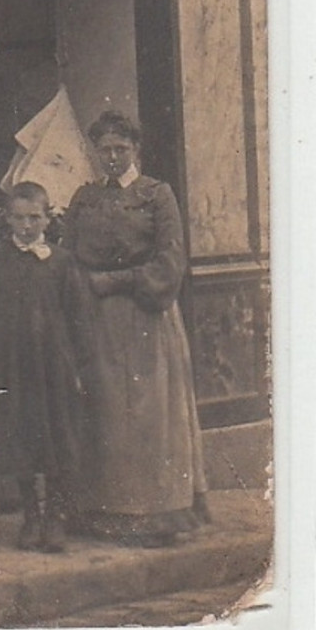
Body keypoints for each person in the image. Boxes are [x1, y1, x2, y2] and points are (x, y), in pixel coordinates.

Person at [63, 111, 209, 547]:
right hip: (97, 319)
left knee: (148, 415)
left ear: (135, 150)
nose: (111, 157)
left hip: (147, 317)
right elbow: (69, 255)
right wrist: (80, 294)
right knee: (104, 410)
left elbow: (170, 260)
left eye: (120, 149)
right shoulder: (84, 198)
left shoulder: (156, 195)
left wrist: (119, 281)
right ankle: (105, 510)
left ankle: (154, 513)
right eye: (104, 149)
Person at [0, 181, 87, 553]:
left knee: (56, 433)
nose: (27, 226)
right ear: (7, 219)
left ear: (48, 217)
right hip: (13, 366)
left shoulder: (61, 261)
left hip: (53, 365)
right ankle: (31, 516)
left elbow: (76, 316)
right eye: (19, 218)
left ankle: (54, 515)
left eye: (34, 218)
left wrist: (75, 364)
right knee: (19, 436)